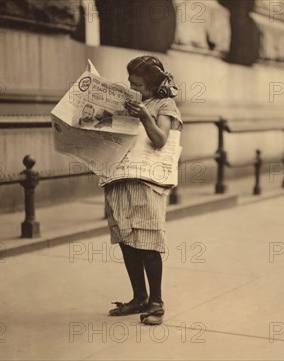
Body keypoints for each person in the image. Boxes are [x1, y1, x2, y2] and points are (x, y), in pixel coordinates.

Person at [104, 55, 181, 325]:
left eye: (137, 84)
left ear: (151, 85)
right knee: (126, 240)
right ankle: (139, 297)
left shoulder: (165, 104)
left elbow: (160, 139)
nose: (131, 87)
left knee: (149, 243)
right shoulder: (127, 102)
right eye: (129, 82)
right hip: (120, 177)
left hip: (147, 182)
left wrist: (145, 115)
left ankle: (156, 302)